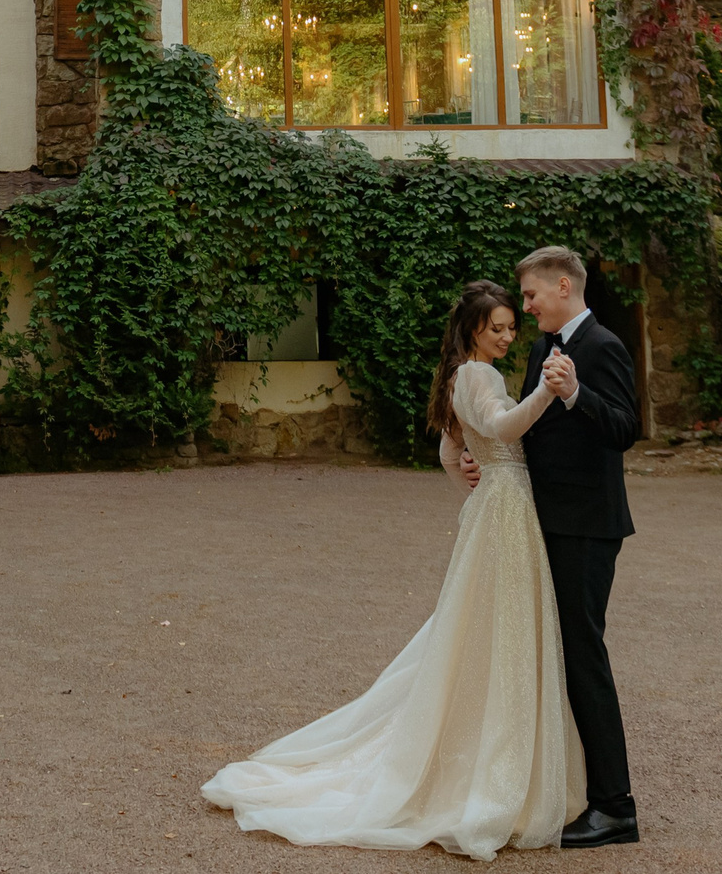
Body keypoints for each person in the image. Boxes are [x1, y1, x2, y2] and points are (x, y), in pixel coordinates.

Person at [201, 281, 585, 859]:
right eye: (498, 328)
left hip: (494, 508)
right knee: (501, 629)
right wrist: (547, 397)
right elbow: (501, 431)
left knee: (483, 627)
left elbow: (448, 451)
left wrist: (470, 487)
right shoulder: (479, 376)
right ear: (473, 330)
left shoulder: (461, 375)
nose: (508, 336)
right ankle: (496, 769)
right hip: (506, 509)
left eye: (512, 327)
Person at [455, 245, 641, 848]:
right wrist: (482, 459)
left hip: (587, 524)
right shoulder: (543, 349)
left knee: (584, 655)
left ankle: (616, 808)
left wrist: (575, 395)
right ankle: (569, 792)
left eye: (532, 296)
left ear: (564, 285)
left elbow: (624, 429)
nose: (527, 307)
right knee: (554, 654)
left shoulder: (603, 346)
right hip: (543, 521)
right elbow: (526, 432)